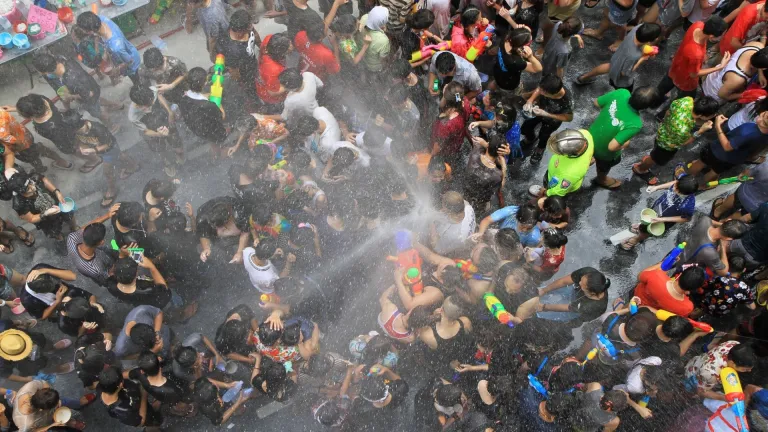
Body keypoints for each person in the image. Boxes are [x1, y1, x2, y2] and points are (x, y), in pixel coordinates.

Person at [632, 96, 719, 184]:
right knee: (657, 158)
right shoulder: (682, 129)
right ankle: (641, 168)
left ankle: (651, 157)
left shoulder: (687, 100)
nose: (714, 115)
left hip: (662, 131)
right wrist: (701, 131)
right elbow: (684, 143)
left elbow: (668, 112)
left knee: (656, 149)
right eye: (712, 115)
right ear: (701, 115)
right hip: (667, 145)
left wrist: (666, 124)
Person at [588, 87, 661, 190]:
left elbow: (597, 102)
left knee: (588, 153)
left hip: (590, 136)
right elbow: (612, 147)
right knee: (603, 166)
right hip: (604, 153)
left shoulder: (621, 93)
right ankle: (602, 179)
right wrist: (626, 143)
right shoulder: (635, 123)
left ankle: (589, 158)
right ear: (646, 107)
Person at [655, 17, 729, 118]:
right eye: (723, 34)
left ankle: (654, 101)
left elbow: (702, 41)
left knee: (666, 83)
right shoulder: (696, 54)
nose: (724, 36)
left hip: (677, 65)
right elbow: (694, 73)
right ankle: (662, 116)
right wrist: (720, 67)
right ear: (712, 36)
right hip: (685, 79)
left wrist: (704, 55)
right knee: (683, 100)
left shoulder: (698, 25)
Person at [32, 53, 122, 134]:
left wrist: (70, 96)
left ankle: (112, 126)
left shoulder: (69, 80)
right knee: (97, 99)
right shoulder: (62, 58)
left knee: (97, 112)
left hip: (88, 96)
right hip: (91, 85)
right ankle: (116, 105)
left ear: (45, 72)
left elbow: (88, 95)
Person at [14, 94, 101, 171]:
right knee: (77, 140)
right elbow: (34, 106)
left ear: (32, 115)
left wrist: (67, 148)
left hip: (64, 138)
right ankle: (88, 145)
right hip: (65, 124)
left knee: (75, 149)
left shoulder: (46, 127)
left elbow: (61, 140)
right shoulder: (42, 100)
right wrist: (17, 108)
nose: (19, 114)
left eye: (20, 113)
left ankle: (94, 159)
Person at [686, 110, 768, 188]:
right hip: (732, 160)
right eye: (764, 113)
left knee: (700, 163)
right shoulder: (764, 135)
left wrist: (718, 126)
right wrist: (753, 158)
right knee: (714, 172)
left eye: (764, 120)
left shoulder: (748, 132)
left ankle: (686, 179)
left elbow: (727, 147)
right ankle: (701, 186)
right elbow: (756, 150)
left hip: (716, 150)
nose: (760, 116)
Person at [621, 174, 699, 250]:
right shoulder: (681, 181)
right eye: (676, 185)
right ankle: (641, 226)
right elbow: (674, 182)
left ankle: (638, 239)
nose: (674, 188)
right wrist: (657, 187)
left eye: (678, 190)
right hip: (658, 207)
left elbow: (686, 219)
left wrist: (661, 219)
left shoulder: (688, 204)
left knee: (649, 231)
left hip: (664, 219)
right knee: (647, 221)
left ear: (686, 194)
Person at [576, 23, 662, 90]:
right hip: (621, 77)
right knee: (624, 91)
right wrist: (642, 59)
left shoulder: (638, 28)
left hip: (618, 56)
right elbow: (624, 73)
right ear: (650, 39)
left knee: (609, 66)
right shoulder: (634, 55)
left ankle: (584, 77)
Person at [75, 119, 141, 207]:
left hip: (109, 149)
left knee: (107, 172)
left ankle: (111, 190)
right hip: (103, 151)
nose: (84, 133)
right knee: (120, 155)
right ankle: (133, 166)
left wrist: (93, 150)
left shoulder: (98, 129)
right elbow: (80, 139)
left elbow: (108, 144)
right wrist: (81, 146)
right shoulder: (76, 129)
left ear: (85, 122)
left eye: (83, 130)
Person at [128, 86, 184, 178]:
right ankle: (167, 161)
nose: (152, 103)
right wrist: (159, 134)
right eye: (148, 105)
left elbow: (158, 96)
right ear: (139, 105)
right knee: (160, 148)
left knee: (177, 144)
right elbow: (145, 131)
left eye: (152, 101)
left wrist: (169, 112)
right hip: (150, 129)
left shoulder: (151, 91)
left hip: (163, 118)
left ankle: (179, 152)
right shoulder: (133, 116)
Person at [7, 172, 76, 242]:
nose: (32, 187)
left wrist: (56, 192)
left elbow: (45, 181)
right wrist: (46, 213)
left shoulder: (34, 178)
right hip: (45, 220)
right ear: (21, 193)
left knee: (70, 215)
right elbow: (31, 218)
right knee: (53, 232)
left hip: (58, 204)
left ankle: (74, 227)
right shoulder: (19, 203)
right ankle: (60, 238)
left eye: (30, 183)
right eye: (28, 189)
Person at [76, 12, 141, 85]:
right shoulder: (100, 19)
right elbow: (97, 35)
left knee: (135, 78)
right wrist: (100, 51)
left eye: (83, 30)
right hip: (124, 51)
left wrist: (116, 69)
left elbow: (130, 61)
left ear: (90, 31)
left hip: (131, 62)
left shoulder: (115, 47)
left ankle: (138, 85)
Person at [521, 74, 574, 163]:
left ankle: (540, 149)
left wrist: (547, 114)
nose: (539, 91)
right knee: (525, 127)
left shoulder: (567, 101)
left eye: (543, 92)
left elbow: (568, 118)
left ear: (554, 94)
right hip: (538, 110)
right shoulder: (548, 84)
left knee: (544, 136)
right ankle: (530, 138)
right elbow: (539, 89)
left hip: (552, 120)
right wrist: (530, 100)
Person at [0, 107, 71, 173]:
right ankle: (61, 161)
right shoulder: (1, 111)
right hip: (24, 134)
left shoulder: (1, 131)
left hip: (20, 145)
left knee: (32, 157)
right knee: (39, 149)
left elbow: (13, 141)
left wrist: (18, 148)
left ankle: (42, 168)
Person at [179, 67, 228, 161]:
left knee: (210, 139)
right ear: (205, 83)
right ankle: (217, 154)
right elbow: (222, 115)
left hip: (196, 127)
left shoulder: (183, 98)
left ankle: (214, 151)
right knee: (216, 140)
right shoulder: (208, 106)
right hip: (210, 131)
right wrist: (217, 101)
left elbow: (195, 100)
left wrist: (205, 97)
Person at [66, 206, 121, 287]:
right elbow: (107, 276)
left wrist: (108, 215)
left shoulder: (72, 238)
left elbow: (89, 226)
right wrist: (121, 258)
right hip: (99, 270)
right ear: (101, 242)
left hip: (90, 258)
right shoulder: (95, 269)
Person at [0, 325, 74, 383]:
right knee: (45, 366)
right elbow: (6, 374)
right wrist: (25, 379)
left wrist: (23, 326)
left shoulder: (5, 328)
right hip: (26, 363)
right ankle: (58, 369)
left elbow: (15, 325)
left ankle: (52, 348)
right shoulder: (1, 362)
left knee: (46, 343)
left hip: (35, 339)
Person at [684, 341, 756, 400]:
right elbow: (701, 391)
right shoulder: (712, 374)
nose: (749, 371)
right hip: (693, 375)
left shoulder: (734, 344)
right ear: (732, 363)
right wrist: (724, 398)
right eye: (745, 369)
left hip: (698, 361)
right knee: (690, 391)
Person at [216, 10, 260, 104]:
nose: (251, 27)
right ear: (240, 31)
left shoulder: (246, 27)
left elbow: (254, 34)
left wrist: (262, 47)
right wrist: (243, 82)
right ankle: (254, 101)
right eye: (249, 26)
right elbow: (234, 72)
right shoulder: (232, 50)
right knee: (251, 91)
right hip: (245, 74)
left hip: (252, 64)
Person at [13, 380, 94, 432]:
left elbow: (43, 383)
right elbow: (34, 430)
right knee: (60, 424)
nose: (58, 403)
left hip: (49, 402)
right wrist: (51, 425)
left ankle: (79, 403)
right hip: (44, 422)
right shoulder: (27, 422)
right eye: (55, 405)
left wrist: (55, 400)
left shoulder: (30, 387)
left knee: (67, 401)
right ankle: (70, 423)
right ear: (41, 410)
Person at [537, 266, 610, 323]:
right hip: (576, 294)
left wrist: (543, 307)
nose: (579, 282)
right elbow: (564, 282)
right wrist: (544, 290)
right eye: (581, 280)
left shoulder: (592, 306)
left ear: (592, 293)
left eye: (582, 284)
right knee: (542, 293)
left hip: (579, 311)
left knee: (545, 312)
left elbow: (568, 308)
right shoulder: (588, 272)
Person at [679, 216, 748, 276]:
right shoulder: (710, 252)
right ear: (728, 239)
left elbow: (715, 223)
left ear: (728, 220)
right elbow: (724, 272)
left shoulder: (705, 220)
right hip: (682, 264)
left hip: (679, 250)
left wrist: (729, 226)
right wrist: (723, 247)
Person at [701, 42, 767, 104]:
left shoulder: (757, 45)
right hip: (712, 92)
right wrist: (746, 94)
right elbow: (722, 95)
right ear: (764, 68)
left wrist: (760, 74)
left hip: (715, 75)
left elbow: (758, 58)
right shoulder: (738, 78)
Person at [99, 366, 163, 428]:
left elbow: (122, 375)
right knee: (154, 419)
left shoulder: (103, 386)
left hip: (135, 399)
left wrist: (137, 372)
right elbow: (141, 421)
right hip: (141, 413)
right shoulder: (124, 412)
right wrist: (144, 394)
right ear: (120, 384)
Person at [539, 128, 594, 197]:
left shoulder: (571, 174)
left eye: (559, 152)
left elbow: (559, 191)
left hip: (556, 182)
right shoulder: (585, 134)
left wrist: (546, 192)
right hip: (557, 173)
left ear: (572, 153)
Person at [195, 196, 251, 264]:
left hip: (235, 226)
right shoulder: (203, 218)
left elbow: (245, 232)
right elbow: (203, 234)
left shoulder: (240, 212)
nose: (221, 230)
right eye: (217, 227)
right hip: (216, 236)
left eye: (224, 227)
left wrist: (240, 252)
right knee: (200, 248)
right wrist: (206, 248)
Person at [633, 264, 705, 316]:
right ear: (694, 289)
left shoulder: (657, 275)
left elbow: (640, 276)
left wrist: (663, 263)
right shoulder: (687, 307)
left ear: (680, 275)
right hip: (648, 315)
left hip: (636, 297)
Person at [464, 135, 507, 212]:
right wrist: (504, 167)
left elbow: (477, 140)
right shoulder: (497, 174)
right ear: (500, 154)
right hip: (481, 202)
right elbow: (500, 187)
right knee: (479, 211)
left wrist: (488, 145)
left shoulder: (476, 152)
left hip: (466, 194)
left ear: (488, 144)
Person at [493, 28, 542, 94]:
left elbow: (517, 36)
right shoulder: (516, 62)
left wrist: (524, 31)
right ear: (522, 46)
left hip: (498, 72)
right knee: (510, 92)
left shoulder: (506, 38)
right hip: (509, 83)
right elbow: (538, 69)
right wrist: (531, 57)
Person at [430, 191, 476, 256]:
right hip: (466, 239)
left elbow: (437, 248)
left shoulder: (452, 234)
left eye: (443, 205)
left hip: (455, 250)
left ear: (448, 210)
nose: (442, 207)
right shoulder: (467, 207)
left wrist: (431, 223)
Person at [475, 203, 542, 247]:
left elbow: (524, 252)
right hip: (498, 235)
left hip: (511, 248)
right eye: (522, 226)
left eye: (529, 228)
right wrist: (480, 234)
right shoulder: (512, 211)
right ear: (517, 218)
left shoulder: (534, 237)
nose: (524, 230)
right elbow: (487, 220)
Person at [256, 34, 293, 114]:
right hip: (269, 96)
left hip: (265, 78)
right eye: (288, 45)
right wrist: (290, 86)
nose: (291, 45)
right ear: (282, 52)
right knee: (277, 108)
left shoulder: (268, 40)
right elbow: (272, 92)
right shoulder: (274, 70)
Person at [729, 201, 768, 268]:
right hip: (755, 258)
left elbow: (745, 219)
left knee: (722, 259)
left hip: (741, 243)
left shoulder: (766, 206)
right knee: (736, 270)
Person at [360, 6, 391, 85]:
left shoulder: (364, 18)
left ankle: (365, 80)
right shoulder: (383, 40)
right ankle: (373, 84)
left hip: (363, 57)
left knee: (366, 72)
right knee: (374, 77)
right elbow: (382, 58)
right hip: (374, 66)